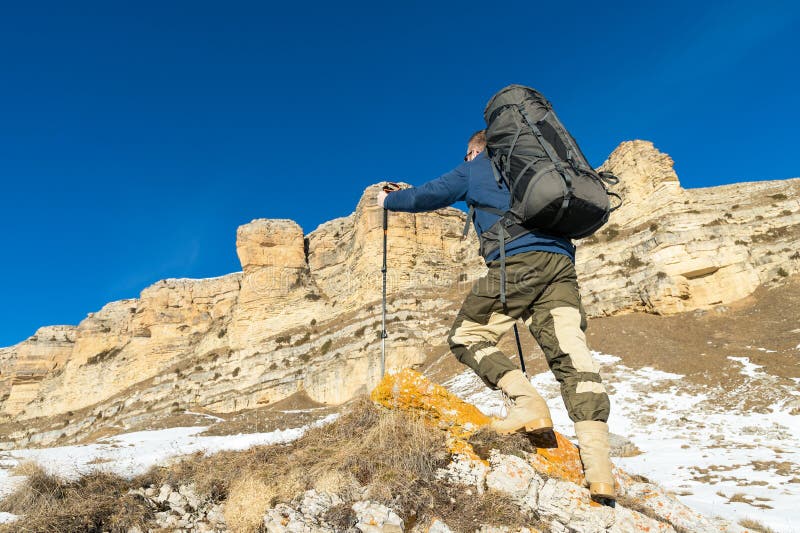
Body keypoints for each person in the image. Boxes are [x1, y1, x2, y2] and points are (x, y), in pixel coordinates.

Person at [377, 130, 616, 501]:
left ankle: (528, 404)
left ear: (474, 151)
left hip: (518, 263)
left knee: (467, 336)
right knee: (573, 357)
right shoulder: (538, 168)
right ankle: (601, 474)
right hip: (562, 265)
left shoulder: (478, 167)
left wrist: (389, 200)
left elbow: (428, 194)